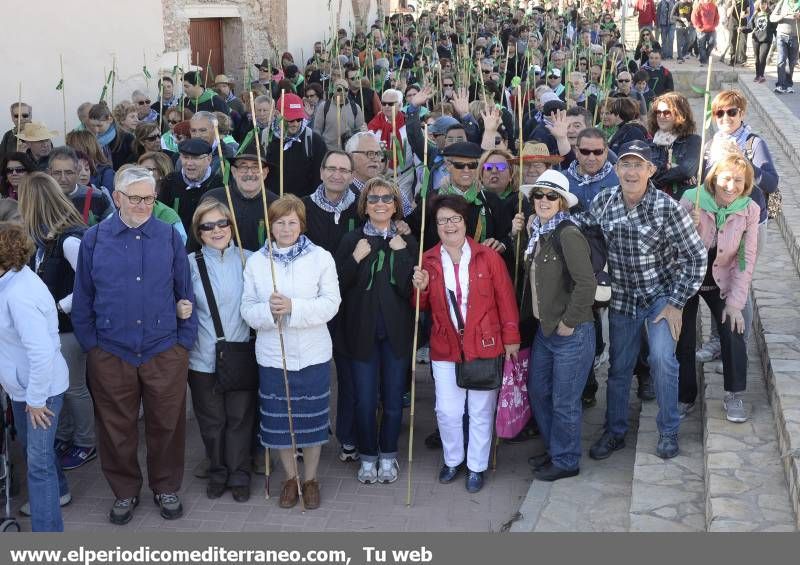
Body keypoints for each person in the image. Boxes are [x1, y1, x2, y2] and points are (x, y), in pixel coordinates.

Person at [71, 166, 197, 525]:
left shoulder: (169, 237)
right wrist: (93, 347)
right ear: (119, 197)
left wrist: (182, 344)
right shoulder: (94, 239)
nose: (144, 204)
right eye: (137, 197)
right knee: (115, 427)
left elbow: (184, 292)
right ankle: (124, 492)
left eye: (149, 197)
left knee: (167, 424)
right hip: (111, 352)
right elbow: (83, 299)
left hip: (163, 350)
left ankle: (166, 486)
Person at [579, 140, 706, 461]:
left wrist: (676, 303)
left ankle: (668, 430)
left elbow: (695, 257)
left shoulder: (668, 208)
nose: (631, 171)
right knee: (619, 369)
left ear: (651, 170)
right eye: (625, 164)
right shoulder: (604, 202)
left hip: (660, 298)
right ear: (616, 169)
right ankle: (615, 431)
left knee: (663, 361)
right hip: (622, 300)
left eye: (638, 165)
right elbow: (580, 232)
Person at [411, 194, 520, 493]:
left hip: (484, 344)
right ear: (435, 226)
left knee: (481, 410)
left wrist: (511, 338)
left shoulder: (489, 257)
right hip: (445, 346)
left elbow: (506, 301)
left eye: (455, 219)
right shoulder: (428, 260)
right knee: (447, 410)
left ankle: (476, 467)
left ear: (465, 222)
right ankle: (452, 459)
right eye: (442, 220)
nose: (449, 225)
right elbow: (420, 307)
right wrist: (419, 288)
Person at [240, 195, 341, 510]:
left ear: (302, 224)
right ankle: (290, 478)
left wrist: (294, 308)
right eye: (279, 222)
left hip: (312, 354)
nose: (285, 228)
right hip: (273, 355)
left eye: (292, 222)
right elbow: (247, 309)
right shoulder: (257, 261)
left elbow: (331, 303)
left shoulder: (321, 257)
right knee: (282, 425)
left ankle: (310, 479)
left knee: (310, 423)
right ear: (270, 225)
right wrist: (269, 312)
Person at [335, 179, 417, 484]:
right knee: (365, 400)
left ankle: (388, 456)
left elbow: (410, 288)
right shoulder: (352, 241)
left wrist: (403, 254)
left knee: (394, 400)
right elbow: (337, 286)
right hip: (361, 333)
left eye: (386, 199)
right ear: (364, 206)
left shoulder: (407, 242)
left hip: (396, 334)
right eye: (373, 199)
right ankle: (368, 456)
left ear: (395, 205)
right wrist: (356, 258)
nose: (380, 204)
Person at [17, 172, 97, 472]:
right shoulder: (43, 238)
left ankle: (85, 442)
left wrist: (57, 307)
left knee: (74, 387)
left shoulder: (69, 239)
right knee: (57, 387)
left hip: (69, 328)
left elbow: (88, 285)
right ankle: (65, 436)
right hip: (52, 328)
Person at [522, 170, 596, 481]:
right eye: (539, 195)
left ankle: (566, 460)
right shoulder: (538, 231)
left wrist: (569, 321)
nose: (544, 200)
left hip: (570, 332)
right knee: (539, 392)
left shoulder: (567, 233)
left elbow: (586, 283)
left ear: (563, 202)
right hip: (545, 329)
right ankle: (556, 449)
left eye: (551, 196)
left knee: (564, 401)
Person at [678, 154, 759, 423]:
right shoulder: (692, 199)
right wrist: (688, 226)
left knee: (734, 326)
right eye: (726, 178)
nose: (731, 186)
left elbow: (745, 260)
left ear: (746, 183)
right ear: (714, 178)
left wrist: (735, 303)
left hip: (721, 280)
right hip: (688, 276)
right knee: (683, 334)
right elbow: (673, 248)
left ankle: (734, 394)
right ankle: (684, 395)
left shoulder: (750, 209)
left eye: (739, 180)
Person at [0, 221, 70, 531]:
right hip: (23, 388)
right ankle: (63, 490)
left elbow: (40, 352)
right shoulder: (11, 283)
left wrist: (38, 400)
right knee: (35, 451)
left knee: (38, 464)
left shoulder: (19, 294)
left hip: (39, 391)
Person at [187, 199, 255, 502]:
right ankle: (218, 471)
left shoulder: (250, 260)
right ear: (199, 232)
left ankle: (240, 474)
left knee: (240, 418)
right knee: (212, 422)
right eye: (208, 226)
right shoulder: (188, 264)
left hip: (239, 353)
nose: (217, 230)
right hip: (202, 356)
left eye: (222, 223)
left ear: (231, 226)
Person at [201, 148, 279, 251]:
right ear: (233, 171)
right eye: (243, 167)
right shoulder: (212, 199)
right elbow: (196, 241)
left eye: (256, 168)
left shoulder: (276, 204)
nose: (250, 174)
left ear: (265, 173)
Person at [264, 93, 327, 198]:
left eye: (299, 119)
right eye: (290, 119)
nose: (295, 123)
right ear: (277, 114)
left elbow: (320, 179)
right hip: (272, 203)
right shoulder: (265, 139)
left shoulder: (314, 140)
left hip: (303, 204)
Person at [159, 138, 222, 235]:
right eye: (185, 157)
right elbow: (161, 217)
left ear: (209, 159)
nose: (189, 163)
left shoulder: (219, 184)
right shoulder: (170, 181)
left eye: (196, 158)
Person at [647, 92, 701, 199]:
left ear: (680, 114)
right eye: (658, 112)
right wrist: (673, 172)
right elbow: (645, 171)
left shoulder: (693, 140)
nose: (661, 116)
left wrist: (655, 181)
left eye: (667, 112)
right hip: (654, 200)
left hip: (680, 201)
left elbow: (686, 171)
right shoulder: (650, 142)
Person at [48, 147, 115, 226]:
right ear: (49, 173)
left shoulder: (98, 197)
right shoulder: (41, 199)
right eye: (57, 173)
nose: (63, 179)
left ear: (77, 172)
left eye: (69, 173)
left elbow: (112, 229)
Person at [313, 78, 365, 151]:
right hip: (328, 151)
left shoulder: (355, 108)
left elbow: (359, 131)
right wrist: (320, 147)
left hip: (348, 151)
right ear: (333, 89)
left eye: (346, 90)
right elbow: (317, 130)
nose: (342, 92)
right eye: (339, 89)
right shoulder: (324, 106)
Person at [87, 104, 135, 170]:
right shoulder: (88, 139)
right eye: (92, 126)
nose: (96, 130)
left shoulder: (127, 139)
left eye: (99, 126)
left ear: (110, 120)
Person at [770, 0, 799, 94]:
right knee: (781, 60)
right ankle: (780, 85)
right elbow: (772, 18)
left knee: (792, 62)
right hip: (781, 35)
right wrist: (783, 15)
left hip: (795, 37)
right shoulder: (782, 2)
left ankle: (788, 84)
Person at [752, 1, 778, 84]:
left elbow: (775, 28)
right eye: (761, 4)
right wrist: (742, 29)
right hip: (756, 39)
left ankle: (761, 75)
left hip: (766, 40)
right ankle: (757, 75)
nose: (762, 5)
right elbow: (750, 27)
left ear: (767, 5)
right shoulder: (756, 15)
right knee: (756, 59)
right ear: (758, 5)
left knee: (762, 58)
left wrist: (778, 38)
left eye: (764, 4)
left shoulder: (770, 15)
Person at [692, 0, 720, 66]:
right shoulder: (699, 5)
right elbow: (694, 16)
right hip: (701, 30)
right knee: (701, 46)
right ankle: (703, 62)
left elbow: (717, 17)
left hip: (711, 29)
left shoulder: (714, 6)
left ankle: (706, 57)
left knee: (712, 43)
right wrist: (699, 26)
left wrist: (714, 25)